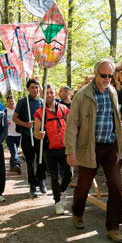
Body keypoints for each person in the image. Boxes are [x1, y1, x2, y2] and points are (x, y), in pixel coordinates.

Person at [65, 58, 122, 243]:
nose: (107, 79)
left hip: (110, 146)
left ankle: (113, 227)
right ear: (96, 74)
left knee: (116, 186)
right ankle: (77, 212)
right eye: (104, 75)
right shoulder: (82, 95)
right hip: (89, 147)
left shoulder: (112, 92)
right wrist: (71, 151)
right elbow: (71, 125)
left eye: (110, 76)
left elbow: (115, 119)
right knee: (84, 186)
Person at [34, 84, 72, 215]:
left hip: (65, 148)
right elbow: (35, 132)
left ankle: (61, 191)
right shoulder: (40, 113)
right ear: (43, 96)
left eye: (51, 92)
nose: (49, 95)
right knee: (55, 176)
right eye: (46, 93)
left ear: (55, 94)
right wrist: (39, 134)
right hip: (49, 149)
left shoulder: (64, 109)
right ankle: (57, 202)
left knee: (69, 173)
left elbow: (71, 125)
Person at [13, 78, 47, 197]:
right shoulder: (23, 102)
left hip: (40, 137)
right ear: (28, 89)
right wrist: (25, 124)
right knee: (30, 162)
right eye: (32, 87)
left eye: (37, 87)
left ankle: (41, 180)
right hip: (27, 136)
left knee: (42, 160)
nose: (35, 90)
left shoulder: (43, 102)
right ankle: (32, 185)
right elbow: (14, 118)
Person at [5, 95, 22, 174]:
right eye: (9, 101)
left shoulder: (18, 111)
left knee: (14, 150)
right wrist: (5, 123)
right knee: (14, 150)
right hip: (9, 134)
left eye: (12, 101)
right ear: (7, 102)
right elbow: (1, 122)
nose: (11, 103)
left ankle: (12, 166)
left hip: (18, 134)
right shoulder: (5, 111)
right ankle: (17, 165)